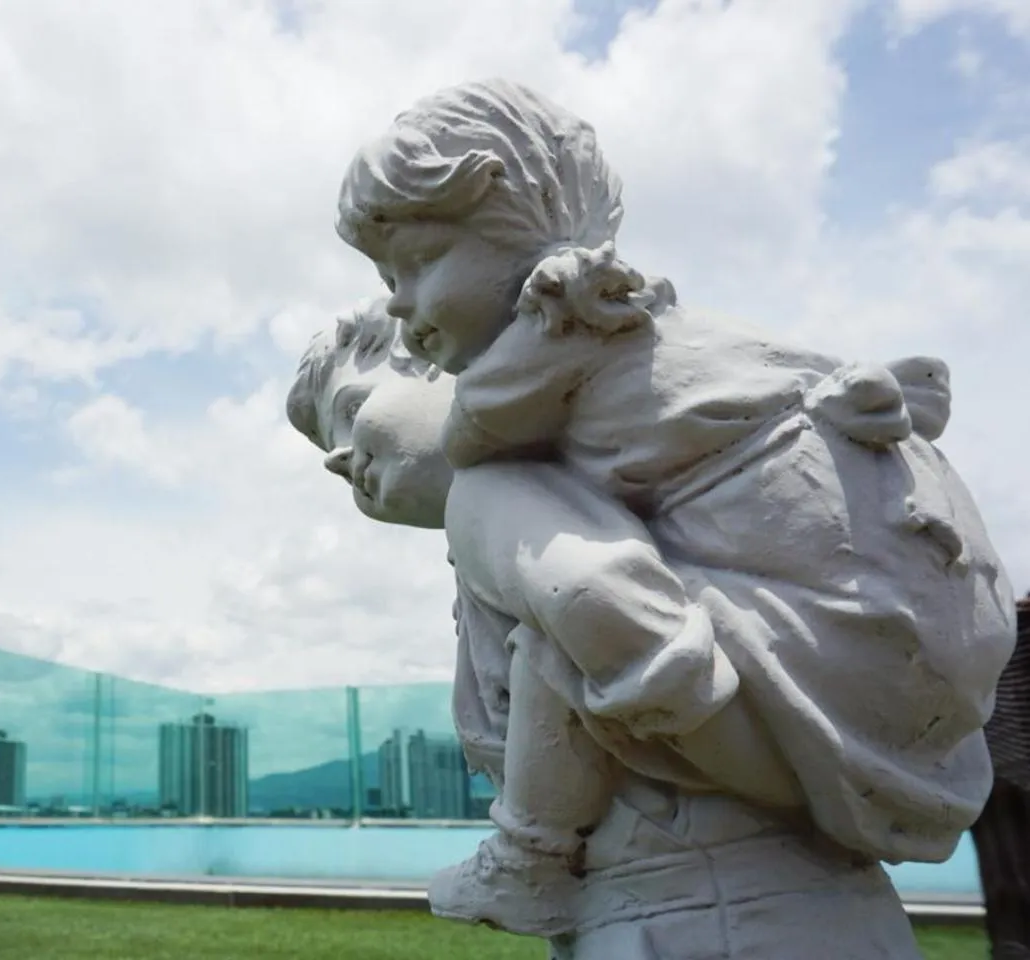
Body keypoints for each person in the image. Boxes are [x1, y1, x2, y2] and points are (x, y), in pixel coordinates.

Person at [331, 78, 1018, 934]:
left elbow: (460, 444)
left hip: (779, 692)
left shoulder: (554, 339)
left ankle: (529, 851)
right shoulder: (642, 327)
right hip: (887, 680)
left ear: (513, 227)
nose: (399, 306)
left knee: (526, 559)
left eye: (418, 263)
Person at [288, 311, 934, 957]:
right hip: (752, 904)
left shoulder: (493, 498)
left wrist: (818, 780)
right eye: (327, 446)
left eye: (352, 408)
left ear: (441, 360)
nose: (340, 460)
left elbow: (607, 610)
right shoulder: (551, 503)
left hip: (710, 916)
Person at [975, 594, 1030, 959]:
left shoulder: (998, 624)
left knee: (1005, 885)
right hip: (1000, 774)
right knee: (1006, 886)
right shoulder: (1003, 624)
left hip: (992, 773)